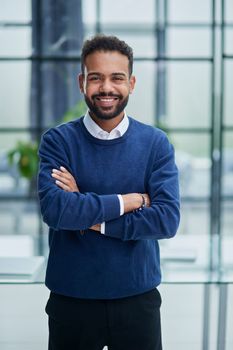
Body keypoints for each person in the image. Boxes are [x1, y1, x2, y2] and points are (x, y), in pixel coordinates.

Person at [38, 34, 180, 350]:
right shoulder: (58, 142)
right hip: (72, 298)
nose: (106, 88)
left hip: (136, 298)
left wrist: (87, 213)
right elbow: (56, 211)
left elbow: (166, 221)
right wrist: (130, 201)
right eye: (96, 78)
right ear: (81, 82)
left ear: (131, 83)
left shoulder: (155, 144)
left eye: (116, 78)